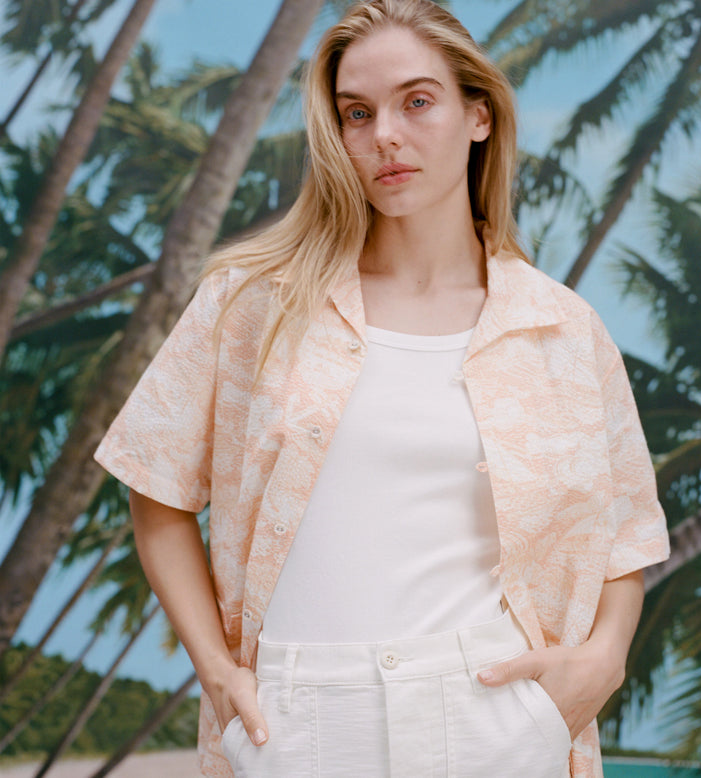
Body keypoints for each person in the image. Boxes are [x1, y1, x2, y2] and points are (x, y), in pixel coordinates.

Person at [95, 1, 670, 776]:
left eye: (417, 102)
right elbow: (155, 492)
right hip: (297, 720)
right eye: (356, 114)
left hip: (497, 711)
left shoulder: (561, 328)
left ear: (479, 115)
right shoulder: (251, 302)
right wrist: (219, 673)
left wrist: (603, 659)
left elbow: (625, 536)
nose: (384, 137)